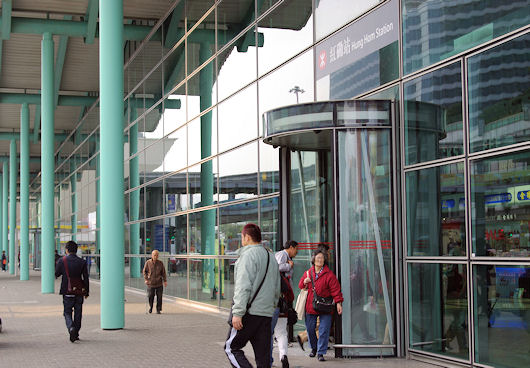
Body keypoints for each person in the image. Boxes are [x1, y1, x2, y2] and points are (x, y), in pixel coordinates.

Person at [224, 223, 280, 368]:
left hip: (249, 314)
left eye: (242, 237)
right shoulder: (271, 256)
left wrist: (237, 313)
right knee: (263, 360)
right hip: (266, 314)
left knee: (231, 348)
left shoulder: (247, 255)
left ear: (247, 237)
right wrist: (271, 307)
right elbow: (277, 288)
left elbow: (243, 286)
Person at [299, 248, 343, 361]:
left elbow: (335, 290)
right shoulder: (308, 273)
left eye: (322, 258)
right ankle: (314, 348)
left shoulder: (329, 274)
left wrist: (338, 303)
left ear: (324, 261)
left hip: (326, 306)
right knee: (310, 328)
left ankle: (321, 353)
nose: (320, 260)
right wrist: (304, 282)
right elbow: (300, 286)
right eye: (318, 258)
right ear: (313, 260)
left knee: (324, 330)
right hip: (311, 305)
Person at [270, 240, 298, 368]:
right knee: (281, 332)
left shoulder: (284, 256)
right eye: (296, 249)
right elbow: (276, 267)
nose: (297, 252)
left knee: (273, 332)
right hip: (282, 300)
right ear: (291, 247)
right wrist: (289, 266)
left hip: (280, 301)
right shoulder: (282, 255)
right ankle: (283, 355)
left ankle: (273, 359)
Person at [55, 240, 89, 342]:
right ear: (76, 250)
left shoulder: (62, 261)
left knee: (67, 311)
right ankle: (76, 332)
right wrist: (86, 291)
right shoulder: (82, 262)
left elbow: (57, 274)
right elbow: (86, 278)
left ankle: (71, 327)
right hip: (79, 291)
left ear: (66, 250)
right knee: (78, 312)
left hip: (67, 291)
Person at [143, 249, 167, 314]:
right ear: (152, 255)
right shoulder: (148, 262)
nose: (155, 256)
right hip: (151, 283)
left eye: (156, 255)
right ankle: (151, 307)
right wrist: (146, 279)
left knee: (159, 297)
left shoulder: (160, 263)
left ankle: (158, 309)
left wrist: (165, 281)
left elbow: (163, 273)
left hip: (159, 283)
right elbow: (144, 272)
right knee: (150, 296)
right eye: (154, 255)